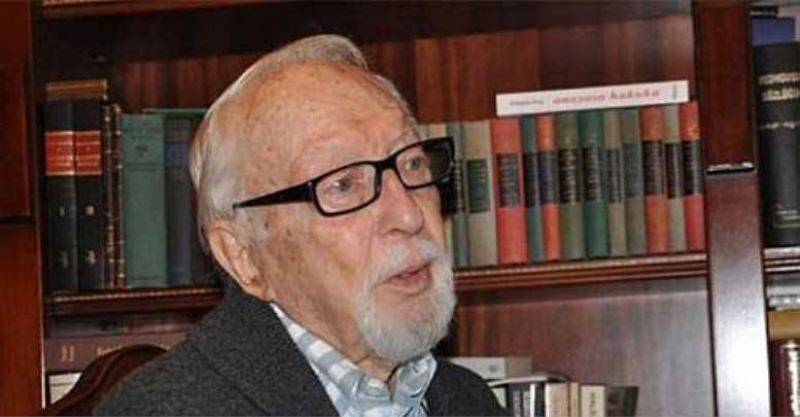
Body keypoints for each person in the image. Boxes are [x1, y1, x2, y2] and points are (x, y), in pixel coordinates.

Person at [95, 34, 506, 416]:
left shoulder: (468, 400)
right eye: (343, 185)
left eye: (413, 163)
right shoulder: (164, 411)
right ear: (243, 257)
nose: (409, 216)